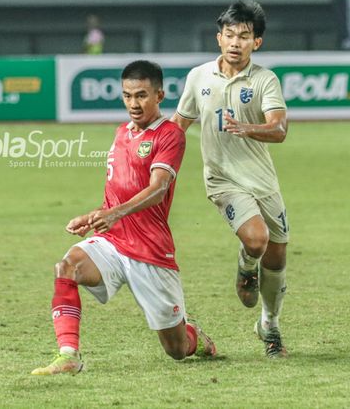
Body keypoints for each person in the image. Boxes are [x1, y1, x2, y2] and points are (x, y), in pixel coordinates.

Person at [31, 60, 216, 376]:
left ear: (159, 95)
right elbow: (116, 193)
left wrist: (114, 213)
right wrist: (94, 218)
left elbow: (157, 190)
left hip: (151, 252)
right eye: (128, 96)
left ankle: (194, 336)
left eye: (141, 95)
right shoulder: (121, 134)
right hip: (112, 241)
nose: (134, 104)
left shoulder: (170, 135)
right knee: (66, 268)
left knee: (176, 351)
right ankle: (68, 355)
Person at [170, 0, 290, 358]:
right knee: (257, 241)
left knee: (278, 258)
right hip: (222, 179)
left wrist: (247, 128)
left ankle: (269, 325)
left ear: (257, 42)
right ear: (218, 38)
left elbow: (280, 129)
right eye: (230, 35)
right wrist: (162, 168)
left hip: (263, 181)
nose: (236, 42)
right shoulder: (199, 77)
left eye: (245, 36)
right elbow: (179, 126)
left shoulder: (265, 79)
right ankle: (244, 267)